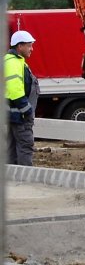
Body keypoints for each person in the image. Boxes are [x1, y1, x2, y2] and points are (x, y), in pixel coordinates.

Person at [6, 30, 39, 167]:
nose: (32, 49)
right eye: (29, 45)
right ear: (20, 46)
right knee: (25, 147)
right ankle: (26, 178)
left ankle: (12, 176)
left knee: (11, 149)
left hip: (12, 115)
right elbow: (15, 90)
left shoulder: (12, 61)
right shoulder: (14, 63)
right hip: (20, 116)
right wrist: (27, 111)